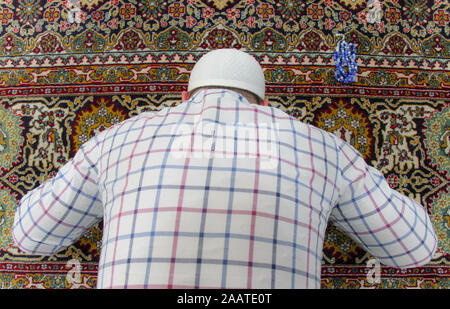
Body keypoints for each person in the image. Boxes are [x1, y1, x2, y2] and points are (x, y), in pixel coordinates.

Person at [12, 48, 437, 289]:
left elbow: (31, 236)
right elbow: (414, 248)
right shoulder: (325, 149)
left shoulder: (116, 139)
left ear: (184, 96)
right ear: (266, 105)